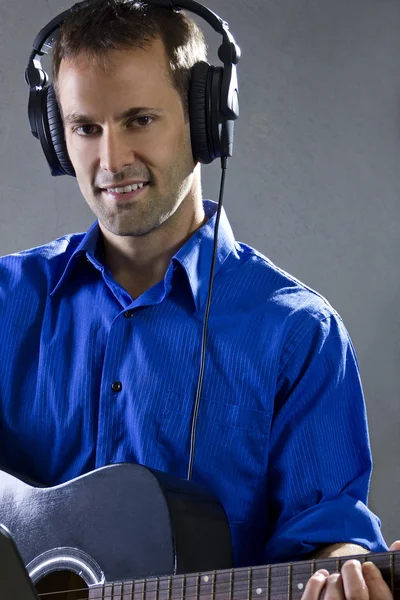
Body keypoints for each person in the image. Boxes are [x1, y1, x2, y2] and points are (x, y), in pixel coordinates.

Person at [0, 0, 398, 598]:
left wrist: (348, 573)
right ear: (57, 136)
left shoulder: (299, 334)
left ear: (206, 119)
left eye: (139, 120)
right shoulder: (7, 302)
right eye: (85, 127)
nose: (111, 161)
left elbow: (325, 539)